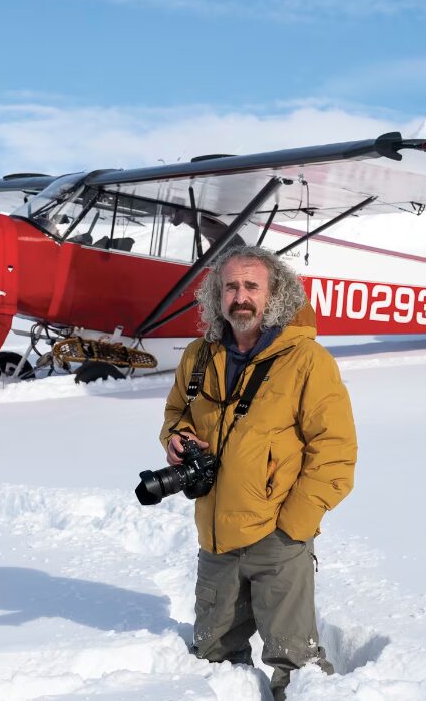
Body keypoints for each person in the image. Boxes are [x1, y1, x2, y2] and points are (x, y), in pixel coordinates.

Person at [160, 245, 357, 700]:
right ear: (216, 295)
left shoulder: (308, 361)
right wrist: (175, 436)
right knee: (213, 662)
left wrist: (293, 528)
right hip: (215, 539)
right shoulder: (198, 356)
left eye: (252, 286)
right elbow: (177, 413)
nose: (240, 297)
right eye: (230, 286)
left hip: (278, 539)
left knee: (296, 665)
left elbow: (336, 453)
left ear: (276, 294)